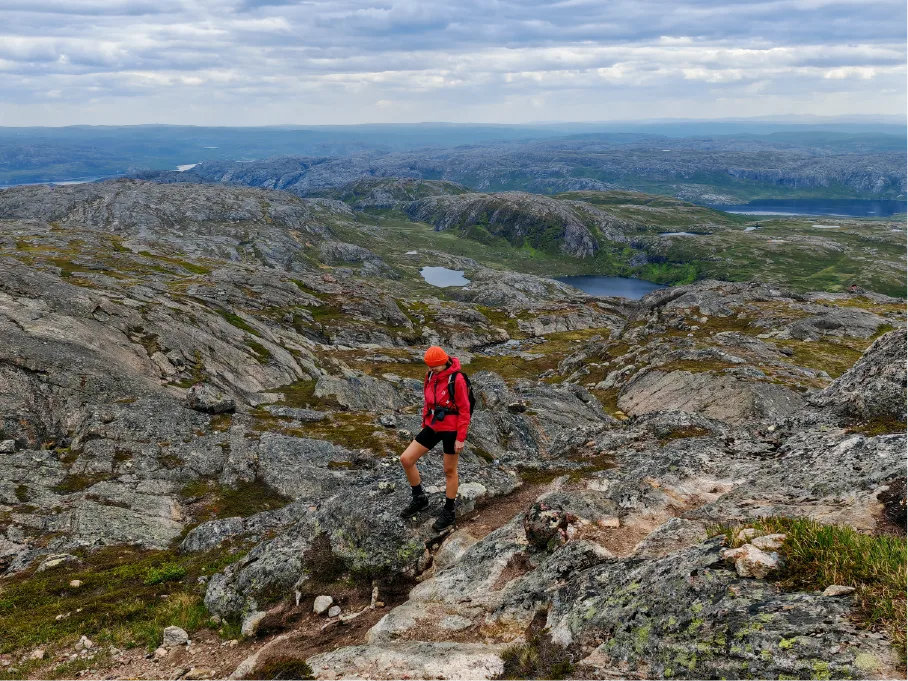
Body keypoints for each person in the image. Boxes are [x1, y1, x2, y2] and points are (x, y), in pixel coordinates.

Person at [399, 345, 472, 531]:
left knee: (449, 470)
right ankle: (420, 498)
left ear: (444, 362)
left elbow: (464, 410)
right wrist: (425, 422)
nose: (431, 369)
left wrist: (461, 438)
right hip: (433, 425)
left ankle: (449, 511)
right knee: (406, 459)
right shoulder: (430, 376)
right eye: (429, 366)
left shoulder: (457, 379)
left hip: (452, 429)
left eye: (435, 366)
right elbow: (427, 401)